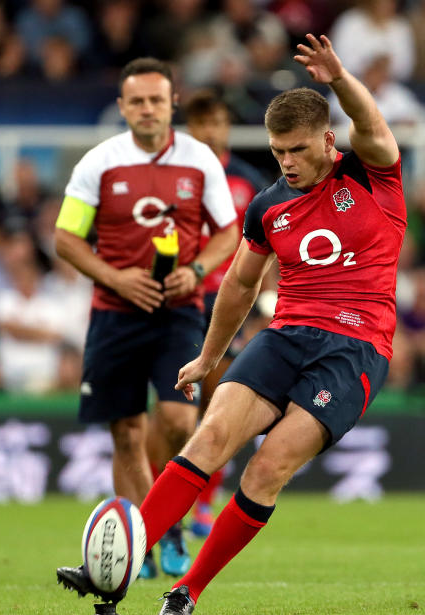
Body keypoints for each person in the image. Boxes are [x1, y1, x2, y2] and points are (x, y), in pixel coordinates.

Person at [57, 33, 405, 615]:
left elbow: (371, 124)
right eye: (276, 152)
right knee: (208, 439)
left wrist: (341, 81)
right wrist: (209, 356)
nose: (286, 163)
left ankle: (188, 588)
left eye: (296, 150)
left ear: (326, 140)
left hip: (356, 346)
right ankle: (116, 567)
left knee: (267, 468)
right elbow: (242, 285)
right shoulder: (268, 205)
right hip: (286, 333)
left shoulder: (373, 176)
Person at [52, 58, 238, 584]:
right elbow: (66, 239)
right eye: (137, 101)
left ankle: (167, 525)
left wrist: (198, 268)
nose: (148, 109)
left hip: (179, 311)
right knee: (127, 432)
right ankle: (144, 547)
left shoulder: (199, 160)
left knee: (179, 419)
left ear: (172, 102)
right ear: (122, 107)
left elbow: (228, 230)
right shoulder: (99, 162)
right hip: (116, 314)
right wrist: (116, 277)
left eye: (157, 99)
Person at [181, 89, 268, 538]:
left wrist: (262, 305)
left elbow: (270, 248)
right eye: (200, 122)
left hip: (227, 304)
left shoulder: (248, 181)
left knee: (218, 404)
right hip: (181, 301)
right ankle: (180, 495)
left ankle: (205, 498)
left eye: (216, 120)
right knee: (178, 411)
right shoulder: (177, 177)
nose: (209, 130)